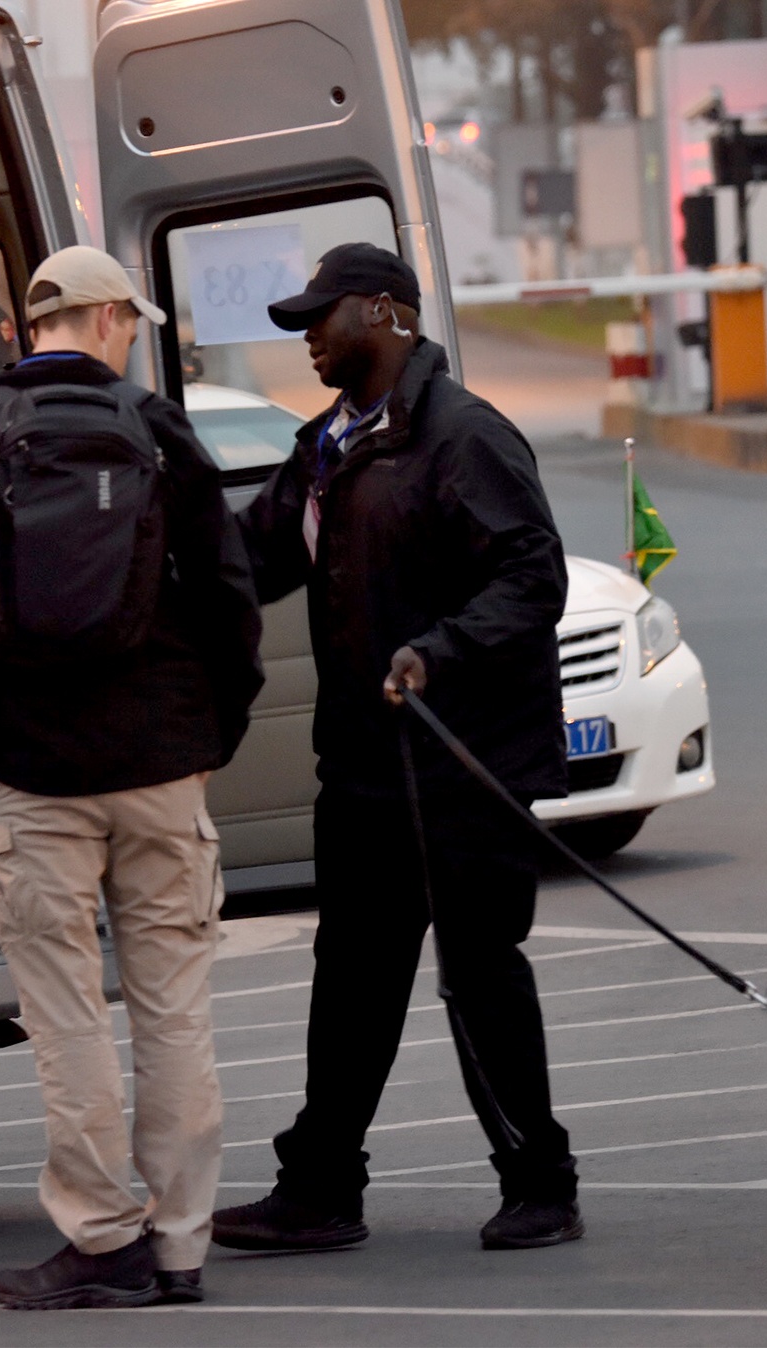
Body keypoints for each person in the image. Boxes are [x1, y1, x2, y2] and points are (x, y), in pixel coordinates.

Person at [0, 245, 264, 1309]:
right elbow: (229, 595)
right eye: (132, 322)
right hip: (160, 764)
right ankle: (181, 1244)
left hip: (32, 767)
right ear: (107, 319)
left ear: (34, 326)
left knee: (67, 1018)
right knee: (174, 1011)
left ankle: (103, 1239)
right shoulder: (157, 427)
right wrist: (212, 731)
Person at [214, 242, 582, 1252]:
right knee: (351, 981)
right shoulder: (326, 448)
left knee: (480, 975)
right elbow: (250, 557)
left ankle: (541, 1184)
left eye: (320, 318)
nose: (307, 340)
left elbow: (532, 578)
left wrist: (437, 649)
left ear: (383, 313)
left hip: (464, 764)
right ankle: (321, 1190)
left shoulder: (464, 437)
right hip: (364, 770)